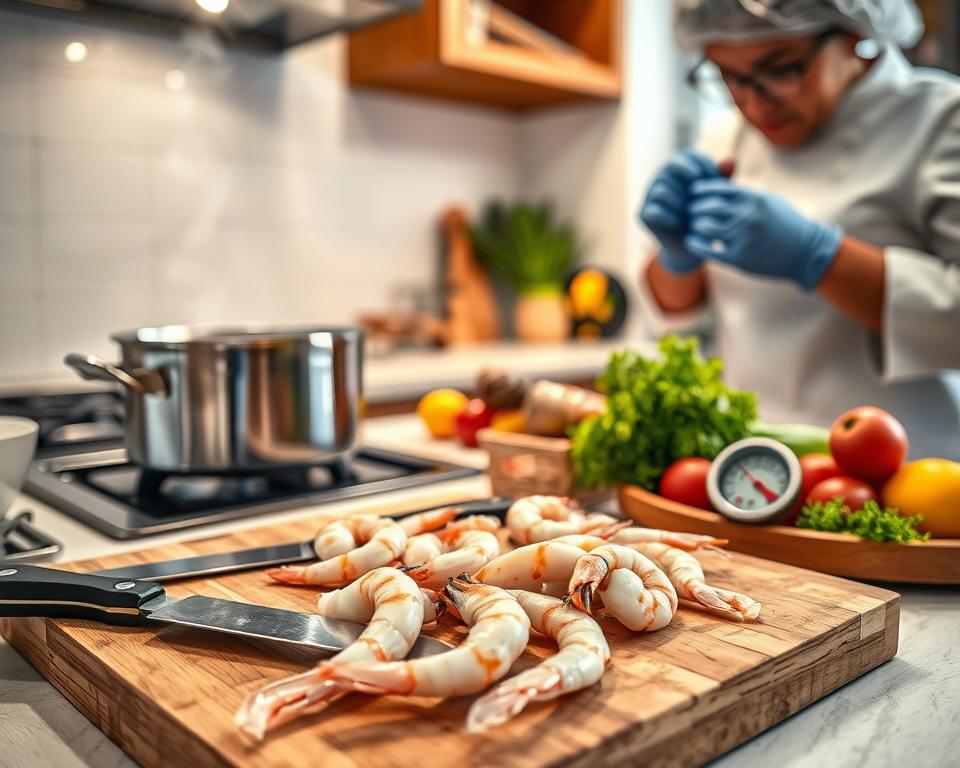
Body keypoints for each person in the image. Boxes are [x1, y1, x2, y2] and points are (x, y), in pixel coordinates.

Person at [639, 0, 960, 460]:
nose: (753, 100)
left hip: (904, 471)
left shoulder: (942, 120)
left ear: (853, 34)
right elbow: (683, 322)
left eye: (782, 68)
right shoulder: (724, 137)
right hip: (749, 464)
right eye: (729, 76)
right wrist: (675, 258)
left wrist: (819, 257)